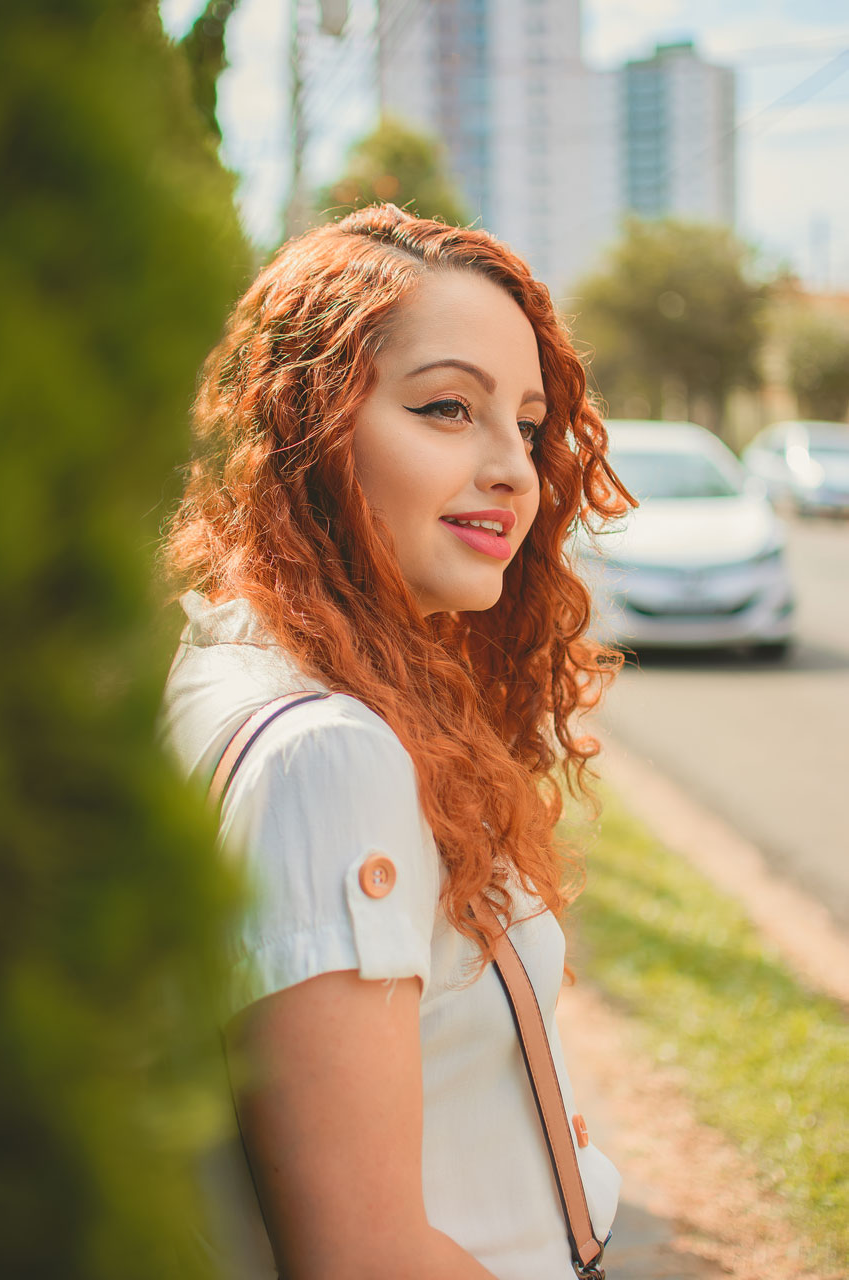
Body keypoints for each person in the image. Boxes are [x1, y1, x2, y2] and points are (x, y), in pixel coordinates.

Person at [162, 203, 629, 1280]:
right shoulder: (328, 754)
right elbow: (364, 1253)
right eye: (446, 408)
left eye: (526, 421)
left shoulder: (227, 662)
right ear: (304, 425)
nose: (515, 468)